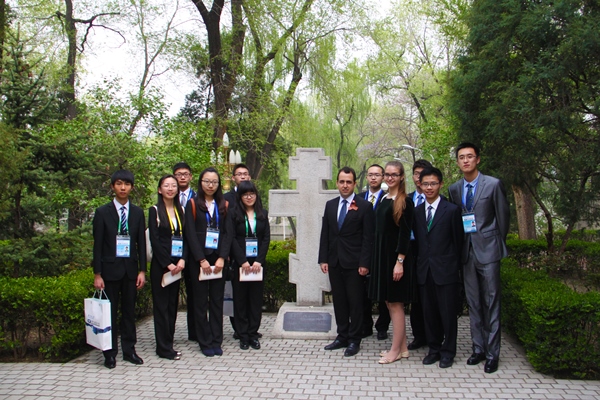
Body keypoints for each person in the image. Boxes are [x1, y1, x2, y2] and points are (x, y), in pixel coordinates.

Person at [448, 142, 510, 374]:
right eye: (461, 157)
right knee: (473, 302)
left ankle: (493, 354)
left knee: (491, 302)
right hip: (467, 252)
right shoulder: (455, 189)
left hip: (489, 250)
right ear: (458, 162)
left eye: (470, 156)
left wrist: (496, 244)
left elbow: (503, 218)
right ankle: (478, 348)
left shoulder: (493, 184)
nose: (466, 160)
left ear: (478, 159)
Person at [92, 169, 146, 369]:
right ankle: (109, 353)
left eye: (127, 184)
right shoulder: (102, 212)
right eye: (119, 184)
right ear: (113, 186)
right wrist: (97, 274)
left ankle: (129, 350)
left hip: (130, 271)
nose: (123, 188)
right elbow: (97, 245)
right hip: (109, 271)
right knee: (110, 313)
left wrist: (142, 271)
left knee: (129, 312)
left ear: (132, 187)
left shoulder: (138, 213)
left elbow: (141, 244)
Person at [319, 167, 374, 357]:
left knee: (355, 303)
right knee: (339, 301)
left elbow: (368, 238)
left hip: (355, 264)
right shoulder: (330, 205)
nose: (345, 185)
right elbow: (326, 233)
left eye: (348, 182)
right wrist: (323, 258)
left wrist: (365, 263)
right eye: (342, 181)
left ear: (355, 184)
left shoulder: (364, 206)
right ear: (337, 183)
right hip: (334, 261)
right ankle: (342, 336)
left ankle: (354, 339)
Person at [413, 167, 463, 368]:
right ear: (420, 185)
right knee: (429, 313)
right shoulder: (417, 211)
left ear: (440, 184)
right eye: (425, 184)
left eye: (433, 183)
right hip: (424, 271)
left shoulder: (451, 210)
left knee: (448, 314)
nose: (429, 187)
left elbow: (458, 242)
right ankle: (433, 349)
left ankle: (448, 352)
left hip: (446, 271)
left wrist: (454, 268)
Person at [369, 160, 415, 364]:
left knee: (396, 304)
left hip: (395, 259)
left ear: (401, 177)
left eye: (394, 174)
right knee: (389, 302)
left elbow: (405, 235)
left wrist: (400, 262)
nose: (389, 178)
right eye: (387, 174)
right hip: (382, 257)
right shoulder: (384, 198)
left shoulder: (404, 201)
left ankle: (394, 351)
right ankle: (403, 349)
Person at [184, 167, 233, 357]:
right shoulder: (192, 204)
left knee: (217, 301)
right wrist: (201, 259)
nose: (210, 185)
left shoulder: (224, 204)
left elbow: (228, 233)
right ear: (201, 182)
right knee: (200, 301)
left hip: (218, 259)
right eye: (207, 181)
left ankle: (216, 340)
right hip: (199, 261)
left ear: (218, 184)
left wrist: (222, 257)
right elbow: (190, 234)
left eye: (214, 182)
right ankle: (204, 341)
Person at [148, 175, 187, 360]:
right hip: (162, 266)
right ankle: (162, 348)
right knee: (161, 307)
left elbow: (186, 237)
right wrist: (167, 263)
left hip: (177, 266)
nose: (170, 189)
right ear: (159, 189)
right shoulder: (154, 210)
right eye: (166, 185)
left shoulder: (181, 210)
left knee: (172, 306)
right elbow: (154, 240)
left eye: (173, 186)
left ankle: (168, 343)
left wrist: (182, 260)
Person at [230, 181, 270, 350]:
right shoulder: (233, 214)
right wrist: (242, 261)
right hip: (241, 265)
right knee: (240, 300)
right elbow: (231, 238)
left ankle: (253, 334)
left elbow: (266, 238)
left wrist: (259, 261)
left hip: (257, 266)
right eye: (245, 194)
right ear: (240, 197)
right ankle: (243, 335)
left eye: (251, 194)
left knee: (255, 300)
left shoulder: (263, 214)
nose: (249, 197)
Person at [358, 164, 390, 340]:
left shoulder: (388, 198)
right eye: (370, 174)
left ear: (383, 177)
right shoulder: (358, 198)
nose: (373, 178)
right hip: (363, 251)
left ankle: (382, 326)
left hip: (382, 251)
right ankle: (365, 325)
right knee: (362, 292)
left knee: (383, 292)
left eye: (377, 175)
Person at [406, 159, 433, 351]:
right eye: (416, 173)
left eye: (423, 173)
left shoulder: (440, 200)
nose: (419, 177)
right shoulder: (406, 199)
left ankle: (433, 335)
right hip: (410, 251)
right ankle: (418, 336)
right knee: (414, 296)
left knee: (430, 296)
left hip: (430, 253)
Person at [223, 163, 252, 339]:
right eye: (239, 174)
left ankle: (250, 327)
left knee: (251, 294)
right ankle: (238, 328)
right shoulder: (226, 198)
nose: (243, 176)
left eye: (245, 173)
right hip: (233, 253)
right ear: (233, 177)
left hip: (251, 253)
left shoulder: (253, 195)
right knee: (236, 294)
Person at [173, 162, 197, 342]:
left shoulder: (198, 198)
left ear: (191, 177)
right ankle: (168, 334)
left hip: (194, 252)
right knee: (170, 295)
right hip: (173, 253)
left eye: (185, 174)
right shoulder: (168, 198)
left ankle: (194, 332)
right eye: (178, 174)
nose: (182, 177)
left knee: (195, 293)